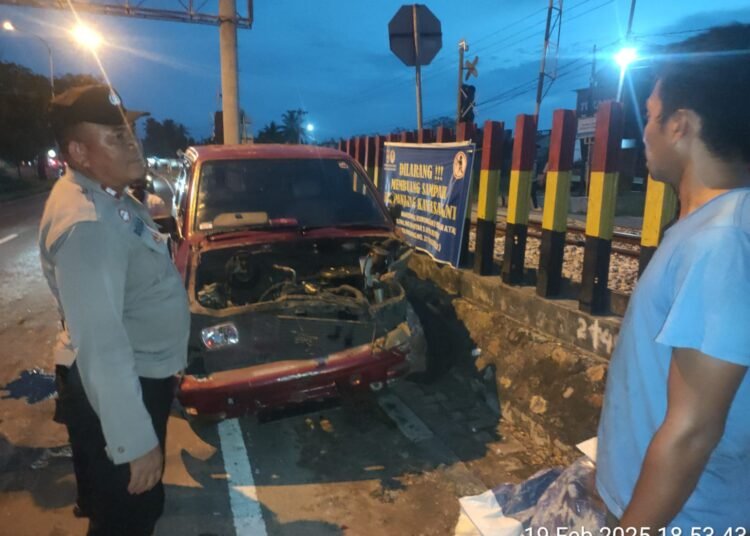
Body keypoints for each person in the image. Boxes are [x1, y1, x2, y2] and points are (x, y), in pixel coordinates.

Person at [596, 25, 750, 529]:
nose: (645, 132)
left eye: (650, 117)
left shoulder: (721, 240)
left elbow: (693, 430)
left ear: (680, 126)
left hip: (681, 519)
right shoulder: (708, 226)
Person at [39, 84, 190, 535]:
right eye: (116, 136)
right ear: (79, 152)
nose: (133, 142)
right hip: (125, 385)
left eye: (130, 131)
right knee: (129, 515)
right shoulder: (88, 224)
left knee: (120, 506)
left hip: (139, 376)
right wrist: (134, 442)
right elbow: (102, 346)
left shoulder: (109, 197)